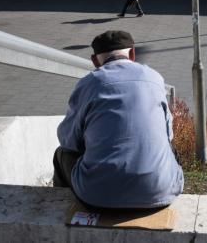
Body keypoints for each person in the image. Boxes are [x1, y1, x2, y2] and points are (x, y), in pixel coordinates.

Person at [54, 30, 183, 209]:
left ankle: (59, 209)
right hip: (160, 194)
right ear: (132, 53)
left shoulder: (88, 83)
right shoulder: (154, 78)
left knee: (61, 154)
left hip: (96, 198)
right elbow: (168, 135)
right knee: (171, 151)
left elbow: (68, 141)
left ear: (94, 60)